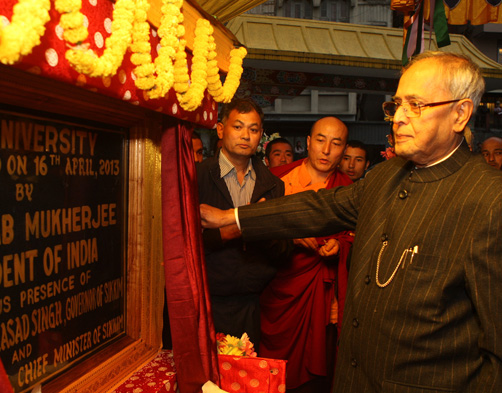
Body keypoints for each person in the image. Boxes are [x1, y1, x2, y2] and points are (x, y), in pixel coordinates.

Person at [200, 51, 502, 392]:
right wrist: (232, 216)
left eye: (415, 105)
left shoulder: (490, 200)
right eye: (397, 105)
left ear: (460, 113)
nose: (398, 118)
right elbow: (320, 207)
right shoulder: (387, 175)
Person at [261, 117, 353, 392]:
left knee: (315, 377)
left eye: (335, 144)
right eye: (321, 141)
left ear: (343, 149)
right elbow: (256, 230)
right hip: (278, 286)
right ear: (309, 143)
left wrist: (341, 244)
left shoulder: (350, 190)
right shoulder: (276, 180)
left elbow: (357, 235)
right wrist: (287, 234)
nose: (326, 151)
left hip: (322, 295)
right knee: (270, 368)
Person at [196, 98, 290, 349]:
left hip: (253, 300)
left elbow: (283, 249)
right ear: (220, 129)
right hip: (205, 299)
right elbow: (182, 244)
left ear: (261, 135)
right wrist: (238, 228)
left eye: (253, 129)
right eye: (238, 127)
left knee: (246, 380)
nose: (245, 136)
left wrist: (255, 227)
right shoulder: (197, 177)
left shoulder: (272, 184)